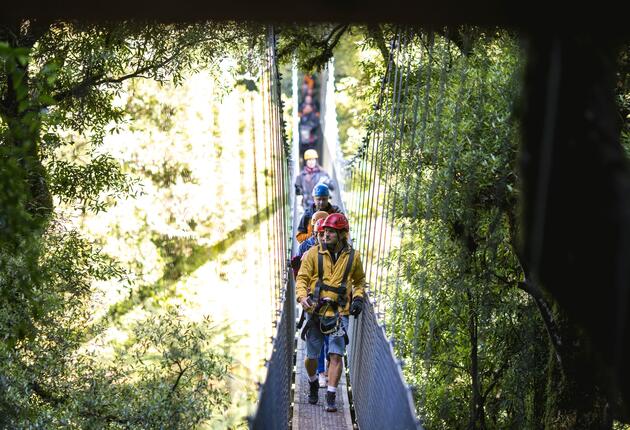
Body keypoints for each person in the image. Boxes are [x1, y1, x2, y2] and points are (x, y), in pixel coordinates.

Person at [296, 213, 366, 412]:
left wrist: (358, 297)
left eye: (330, 232)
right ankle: (312, 382)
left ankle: (331, 395)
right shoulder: (312, 254)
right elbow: (301, 279)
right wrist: (302, 297)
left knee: (336, 355)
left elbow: (359, 281)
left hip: (339, 313)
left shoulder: (353, 257)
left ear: (342, 234)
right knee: (311, 356)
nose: (325, 235)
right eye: (324, 231)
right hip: (315, 312)